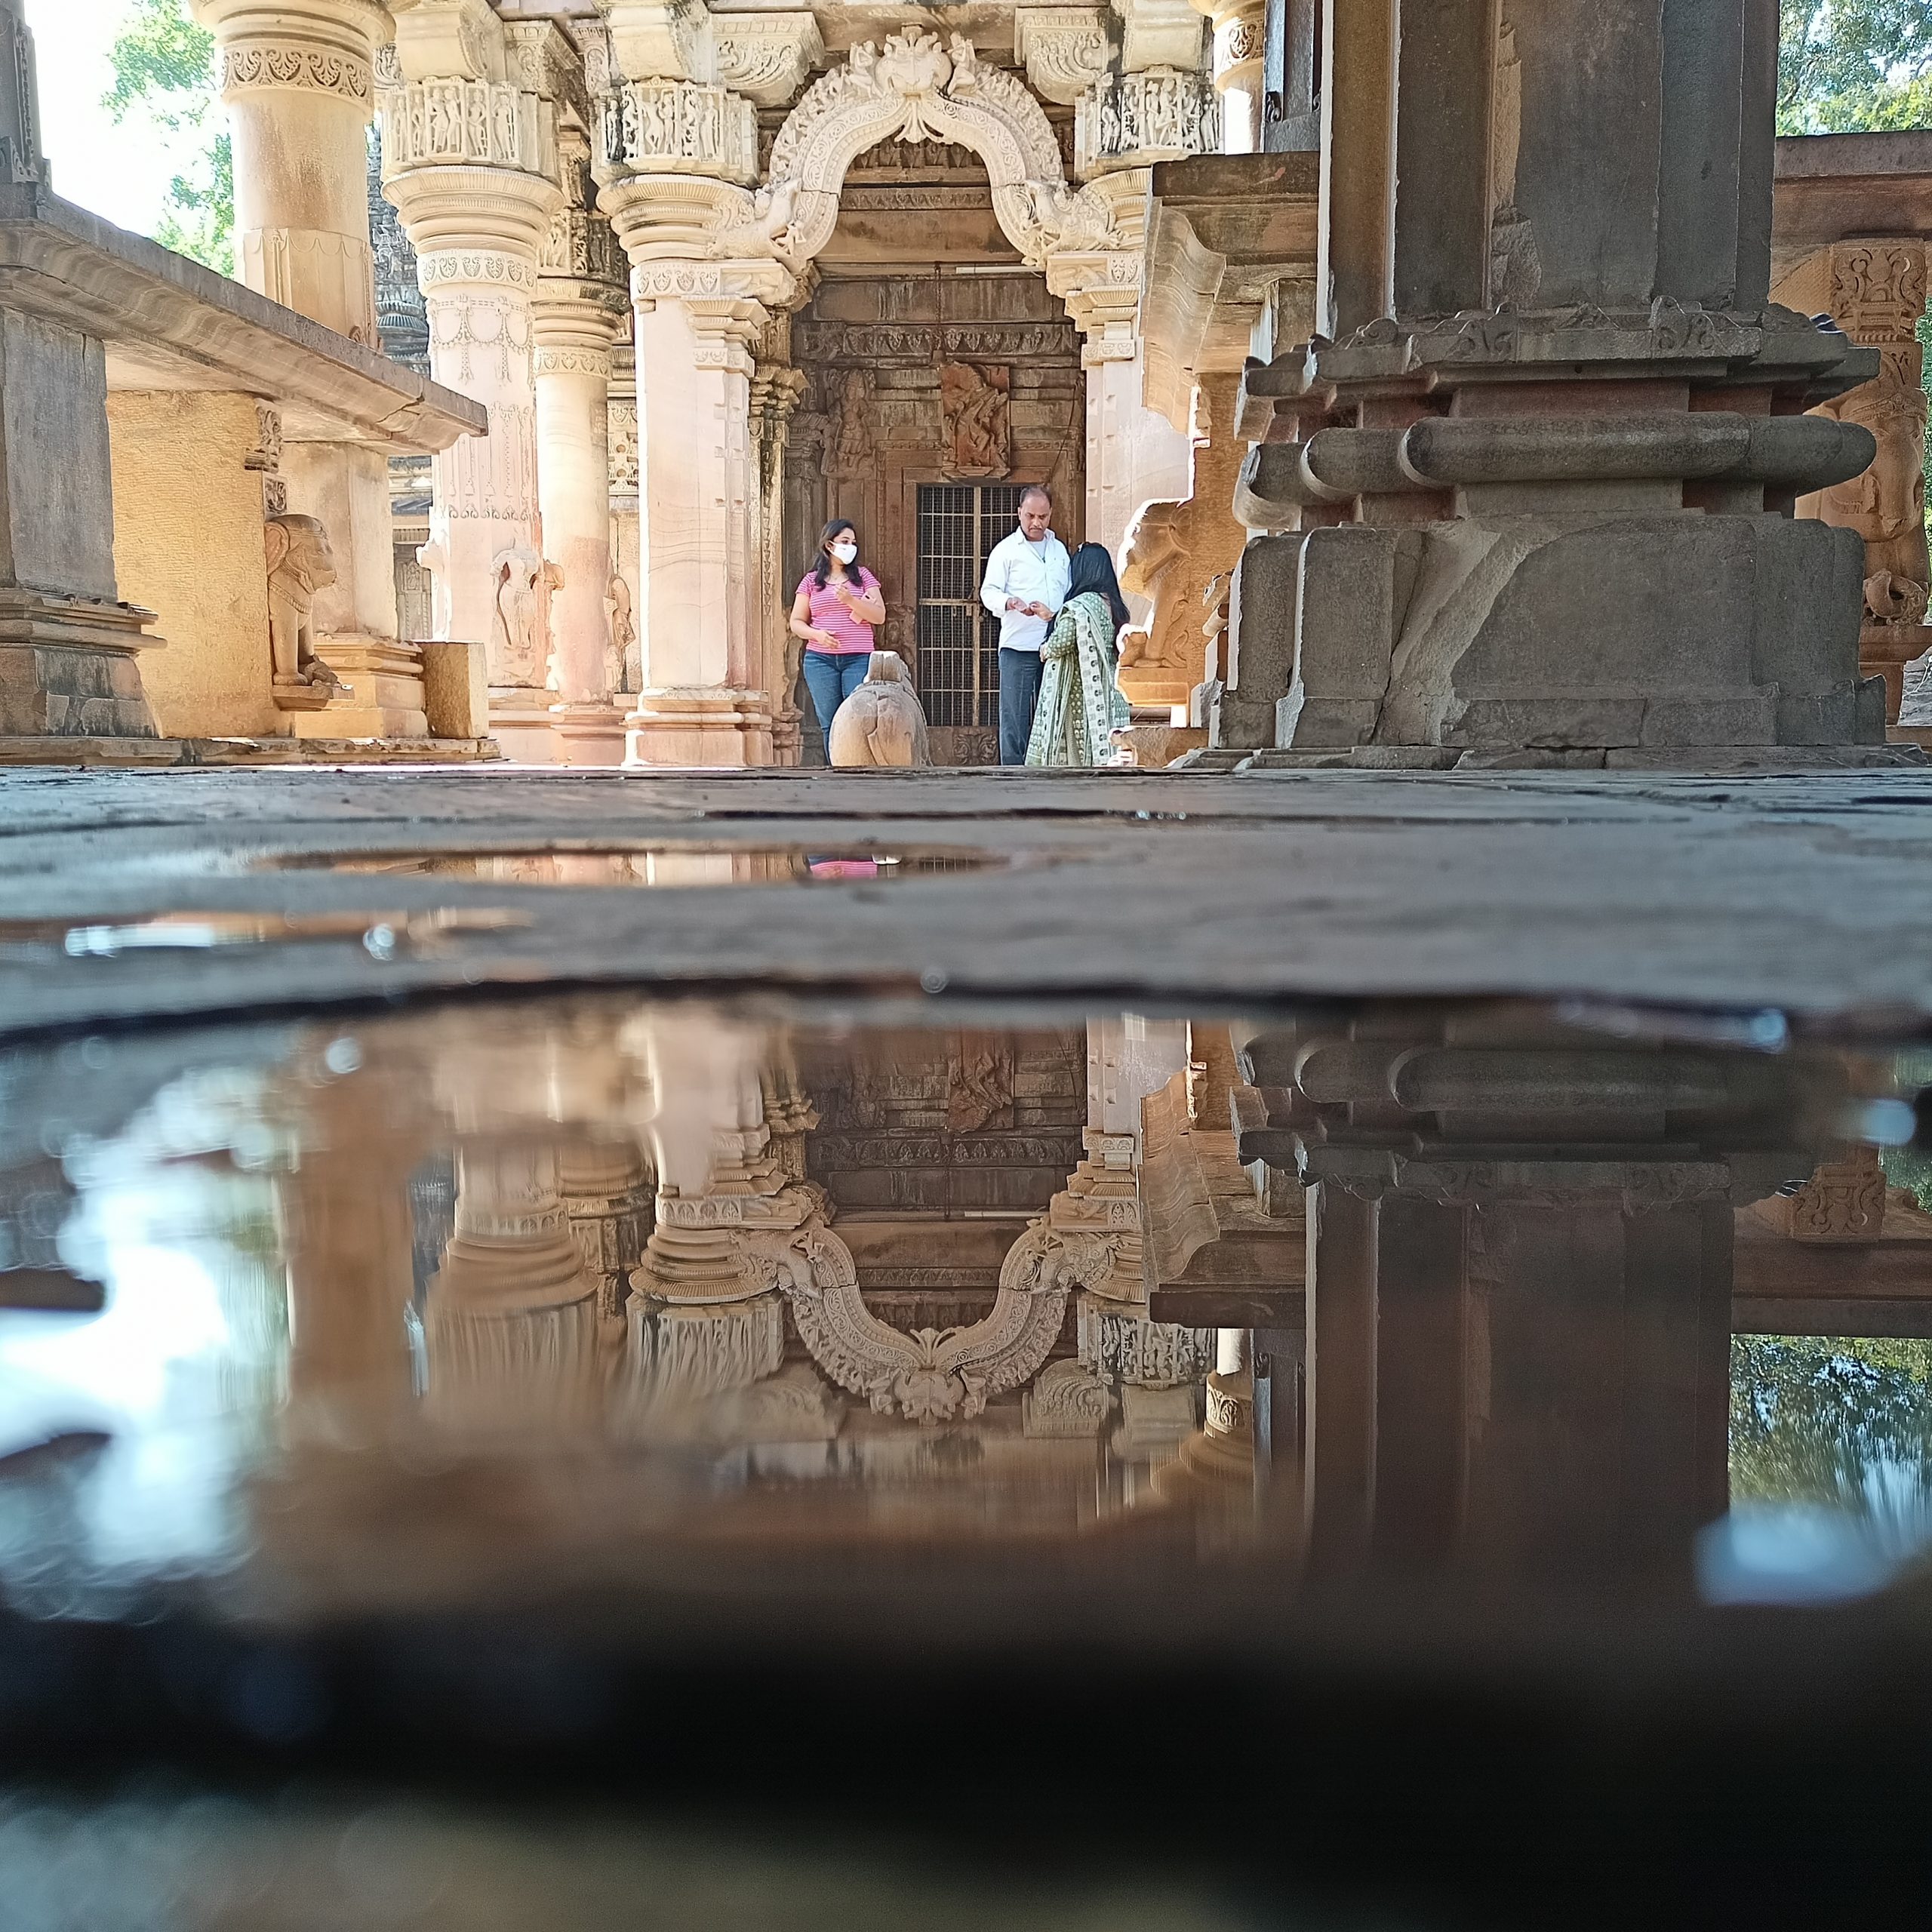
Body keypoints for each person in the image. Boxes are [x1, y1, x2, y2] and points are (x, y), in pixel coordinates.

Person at [979, 485, 1071, 766]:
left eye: (1042, 516)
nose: (1036, 523)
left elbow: (1068, 592)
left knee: (1052, 714)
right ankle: (1013, 778)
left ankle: (1049, 772)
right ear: (1019, 513)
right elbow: (988, 592)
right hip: (1018, 645)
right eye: (1030, 515)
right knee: (1014, 718)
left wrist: (1053, 613)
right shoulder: (1005, 550)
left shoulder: (1059, 551)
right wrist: (1010, 602)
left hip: (1054, 645)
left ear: (1050, 514)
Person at [1026, 542, 1132, 768]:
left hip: (1082, 693)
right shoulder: (1114, 605)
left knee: (1081, 755)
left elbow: (1061, 643)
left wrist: (1045, 650)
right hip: (1111, 689)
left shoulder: (1080, 606)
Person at [791, 519, 886, 741]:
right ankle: (834, 773)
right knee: (830, 722)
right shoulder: (810, 581)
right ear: (829, 545)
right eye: (845, 541)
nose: (850, 547)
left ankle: (857, 773)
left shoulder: (863, 577)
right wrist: (817, 635)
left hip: (858, 658)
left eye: (853, 542)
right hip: (820, 660)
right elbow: (796, 622)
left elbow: (879, 616)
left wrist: (851, 600)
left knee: (857, 718)